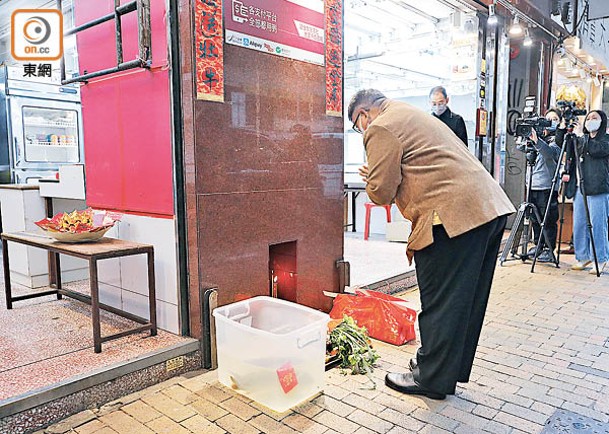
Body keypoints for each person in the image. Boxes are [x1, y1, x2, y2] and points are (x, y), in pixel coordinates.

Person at [349, 89, 515, 400]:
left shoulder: (381, 125)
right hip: (484, 209)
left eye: (358, 126)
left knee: (440, 301)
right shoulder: (411, 114)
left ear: (364, 113)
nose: (362, 131)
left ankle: (431, 378)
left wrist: (373, 177)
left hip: (451, 217)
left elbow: (382, 191)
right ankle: (443, 370)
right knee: (463, 301)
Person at [556, 110, 609, 274]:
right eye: (589, 118)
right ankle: (582, 256)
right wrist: (564, 128)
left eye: (595, 118)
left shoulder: (605, 140)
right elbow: (562, 144)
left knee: (597, 225)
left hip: (598, 188)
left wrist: (581, 136)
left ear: (602, 122)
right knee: (579, 224)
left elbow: (595, 150)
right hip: (579, 187)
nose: (591, 120)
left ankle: (600, 259)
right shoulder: (580, 140)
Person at [524, 109, 562, 262]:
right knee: (535, 217)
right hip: (532, 184)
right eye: (547, 118)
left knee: (548, 219)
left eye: (554, 119)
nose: (550, 121)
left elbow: (549, 154)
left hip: (547, 186)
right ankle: (538, 245)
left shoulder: (558, 139)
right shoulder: (538, 137)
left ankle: (549, 248)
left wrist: (537, 141)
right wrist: (526, 137)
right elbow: (522, 150)